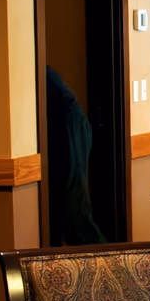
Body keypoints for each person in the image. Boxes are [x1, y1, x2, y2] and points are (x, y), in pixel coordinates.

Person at [44, 66, 107, 245]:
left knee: (75, 212)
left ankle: (107, 265)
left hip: (69, 124)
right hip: (66, 125)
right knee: (62, 208)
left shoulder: (29, 66)